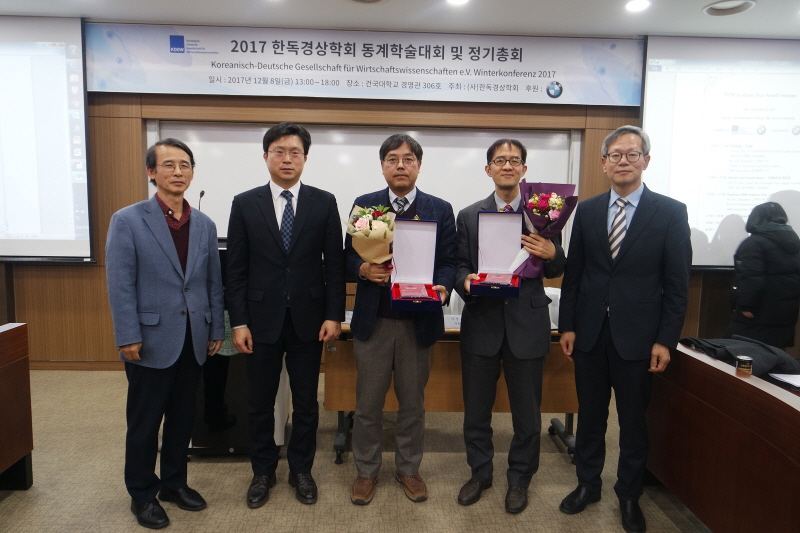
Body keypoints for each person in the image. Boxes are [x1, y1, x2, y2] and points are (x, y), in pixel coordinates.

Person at [558, 125, 691, 533]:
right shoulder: (588, 210)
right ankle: (588, 484)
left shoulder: (670, 212)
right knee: (591, 417)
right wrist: (567, 326)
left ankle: (629, 495)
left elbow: (677, 285)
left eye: (632, 154)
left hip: (640, 338)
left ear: (646, 161)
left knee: (633, 422)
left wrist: (665, 340)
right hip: (590, 334)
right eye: (615, 155)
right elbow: (575, 275)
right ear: (604, 163)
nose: (623, 162)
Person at [106, 138, 225, 529]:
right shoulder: (128, 220)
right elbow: (120, 283)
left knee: (182, 418)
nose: (178, 172)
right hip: (149, 339)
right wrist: (127, 334)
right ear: (151, 172)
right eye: (169, 165)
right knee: (145, 422)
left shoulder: (204, 224)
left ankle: (174, 483)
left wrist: (215, 327)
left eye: (185, 165)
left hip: (193, 338)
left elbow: (212, 282)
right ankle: (142, 493)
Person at [226, 122, 345, 508]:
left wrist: (334, 315)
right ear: (266, 157)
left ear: (305, 158)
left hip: (310, 320)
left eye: (295, 152)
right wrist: (239, 321)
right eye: (279, 151)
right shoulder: (245, 203)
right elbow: (236, 270)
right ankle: (262, 471)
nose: (287, 158)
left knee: (307, 402)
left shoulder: (324, 202)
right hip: (259, 320)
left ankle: (301, 470)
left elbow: (335, 265)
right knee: (260, 402)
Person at [453, 139, 566, 514]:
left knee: (527, 416)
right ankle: (480, 473)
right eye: (499, 160)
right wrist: (466, 281)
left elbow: (556, 266)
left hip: (527, 324)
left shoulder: (544, 215)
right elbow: (460, 264)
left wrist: (552, 252)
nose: (507, 166)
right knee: (476, 412)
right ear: (488, 169)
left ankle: (519, 479)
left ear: (524, 170)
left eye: (514, 160)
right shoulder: (469, 215)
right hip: (481, 323)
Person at [345, 134, 456, 505]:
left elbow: (449, 260)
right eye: (392, 159)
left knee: (412, 404)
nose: (400, 165)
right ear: (383, 166)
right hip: (374, 322)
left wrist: (443, 286)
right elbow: (348, 256)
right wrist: (363, 269)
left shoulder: (439, 208)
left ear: (419, 166)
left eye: (408, 159)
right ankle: (366, 472)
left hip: (417, 323)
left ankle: (408, 469)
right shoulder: (366, 205)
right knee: (367, 404)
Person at [724, 202, 800, 350]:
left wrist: (745, 305)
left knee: (736, 354)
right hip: (785, 315)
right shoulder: (795, 243)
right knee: (775, 356)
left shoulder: (754, 243)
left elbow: (751, 278)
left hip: (757, 314)